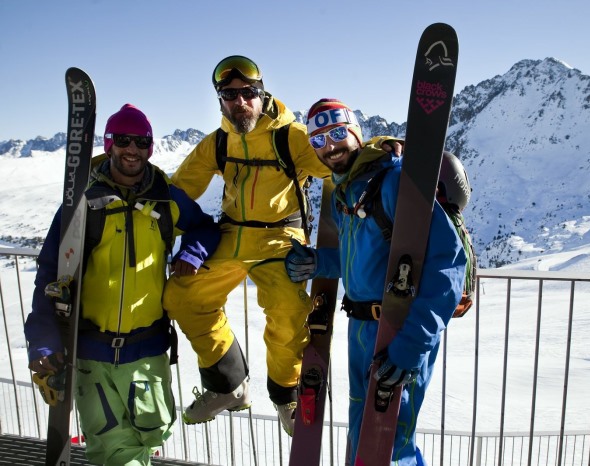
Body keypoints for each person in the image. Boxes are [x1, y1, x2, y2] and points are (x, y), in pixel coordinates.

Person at [25, 104, 220, 466]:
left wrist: (192, 252)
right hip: (91, 354)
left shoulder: (166, 197)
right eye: (124, 140)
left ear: (150, 147)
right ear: (109, 143)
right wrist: (43, 340)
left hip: (147, 352)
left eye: (142, 141)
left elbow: (206, 227)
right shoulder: (83, 202)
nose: (132, 149)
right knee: (112, 452)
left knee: (154, 432)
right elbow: (50, 272)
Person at [284, 98, 468, 465]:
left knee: (391, 444)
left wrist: (411, 345)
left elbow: (448, 265)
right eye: (318, 140)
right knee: (363, 436)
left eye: (337, 133)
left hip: (400, 329)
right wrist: (318, 262)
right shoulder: (346, 190)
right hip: (362, 331)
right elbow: (364, 262)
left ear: (355, 132)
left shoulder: (396, 180)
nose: (330, 146)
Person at [161, 55, 333, 434]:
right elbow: (177, 191)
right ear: (220, 100)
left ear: (262, 93)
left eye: (248, 93)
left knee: (287, 310)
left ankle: (286, 394)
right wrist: (127, 183)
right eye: (229, 94)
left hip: (279, 239)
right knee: (182, 296)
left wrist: (381, 148)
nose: (240, 101)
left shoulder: (293, 137)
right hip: (232, 235)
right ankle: (228, 384)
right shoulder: (218, 143)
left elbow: (339, 159)